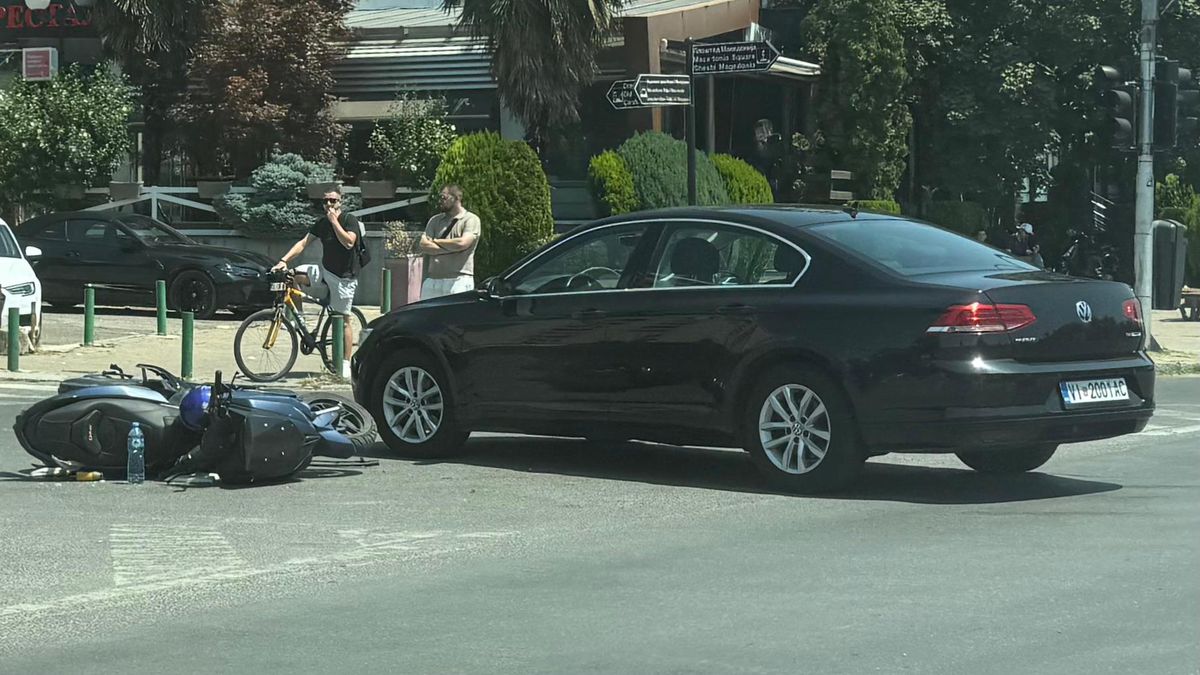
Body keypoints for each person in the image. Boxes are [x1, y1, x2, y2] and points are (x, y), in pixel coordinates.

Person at [272, 188, 363, 377]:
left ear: (340, 202)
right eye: (326, 201)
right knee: (292, 276)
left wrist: (334, 221)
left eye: (333, 201)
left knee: (343, 319)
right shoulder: (321, 224)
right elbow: (303, 243)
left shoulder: (348, 220)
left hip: (343, 277)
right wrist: (283, 260)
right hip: (324, 271)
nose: (329, 205)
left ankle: (345, 363)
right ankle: (301, 321)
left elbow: (349, 242)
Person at [419, 184, 481, 300]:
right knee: (426, 317)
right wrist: (452, 249)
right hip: (432, 280)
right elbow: (423, 245)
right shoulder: (435, 220)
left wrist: (436, 241)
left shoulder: (470, 219)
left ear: (456, 198)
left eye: (444, 197)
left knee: (455, 317)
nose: (440, 201)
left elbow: (462, 243)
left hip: (458, 280)